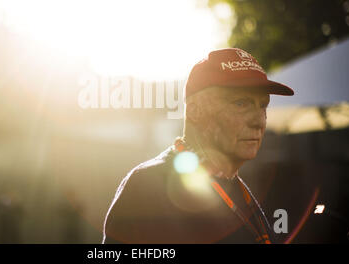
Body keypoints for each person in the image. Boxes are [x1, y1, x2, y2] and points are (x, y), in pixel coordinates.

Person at [102, 48, 294, 244]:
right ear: (195, 110)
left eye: (263, 106)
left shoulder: (236, 187)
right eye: (241, 104)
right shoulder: (148, 187)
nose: (259, 121)